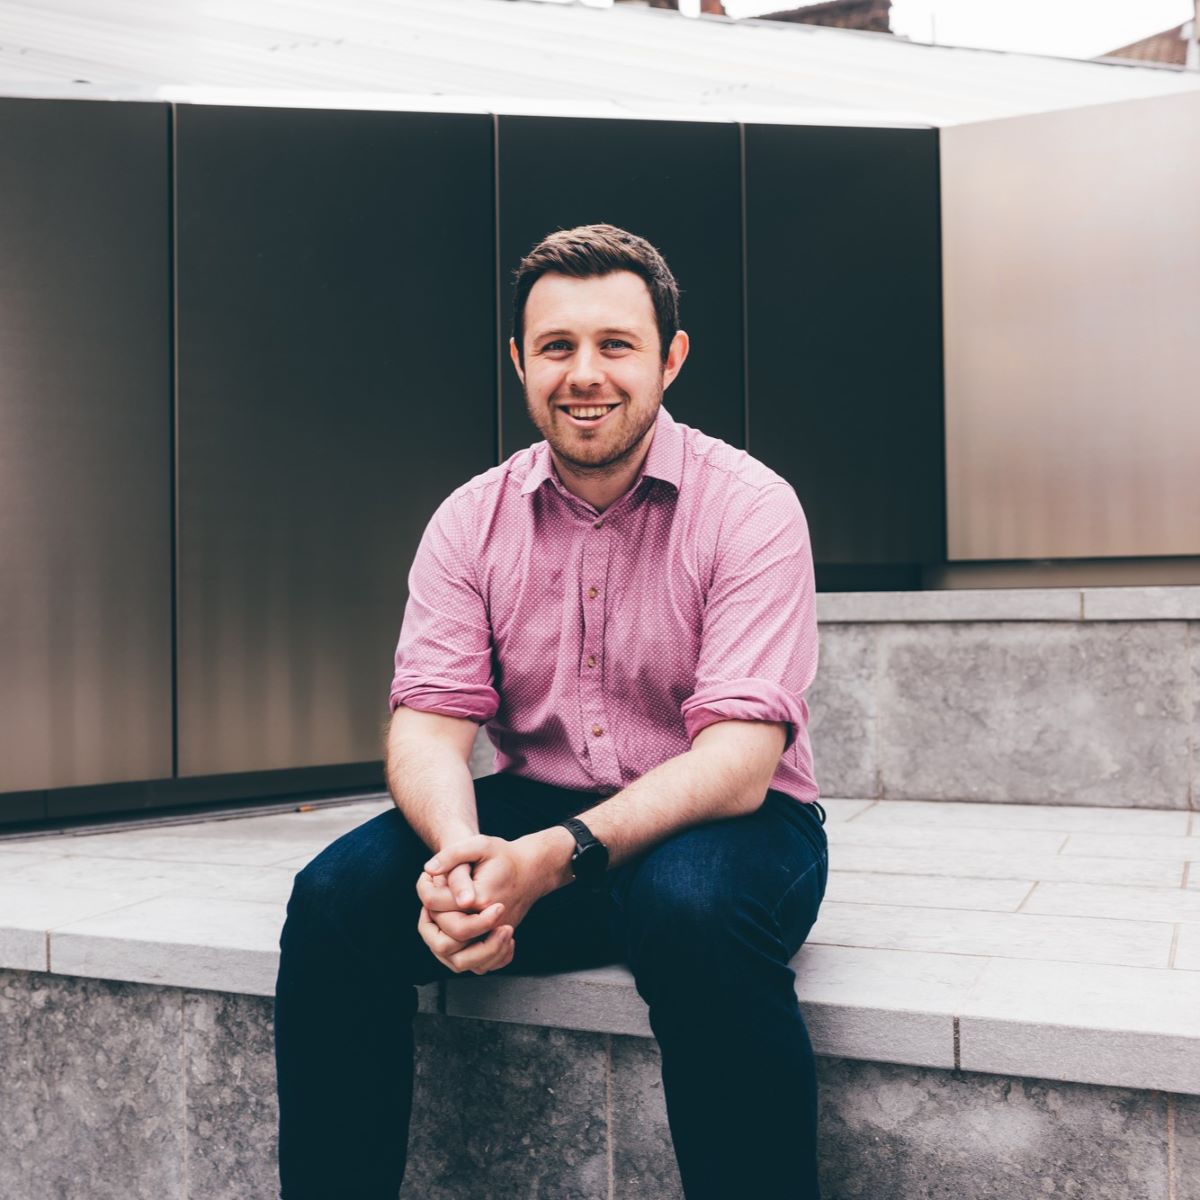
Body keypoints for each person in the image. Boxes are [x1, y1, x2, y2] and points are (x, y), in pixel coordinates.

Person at [274, 223, 829, 1200]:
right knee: (331, 906)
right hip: (537, 809)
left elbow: (740, 760)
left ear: (671, 357)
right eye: (557, 347)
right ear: (520, 362)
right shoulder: (469, 518)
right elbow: (429, 723)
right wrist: (462, 857)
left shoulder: (751, 507)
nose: (586, 374)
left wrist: (549, 861)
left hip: (732, 825)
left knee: (688, 910)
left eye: (616, 344)